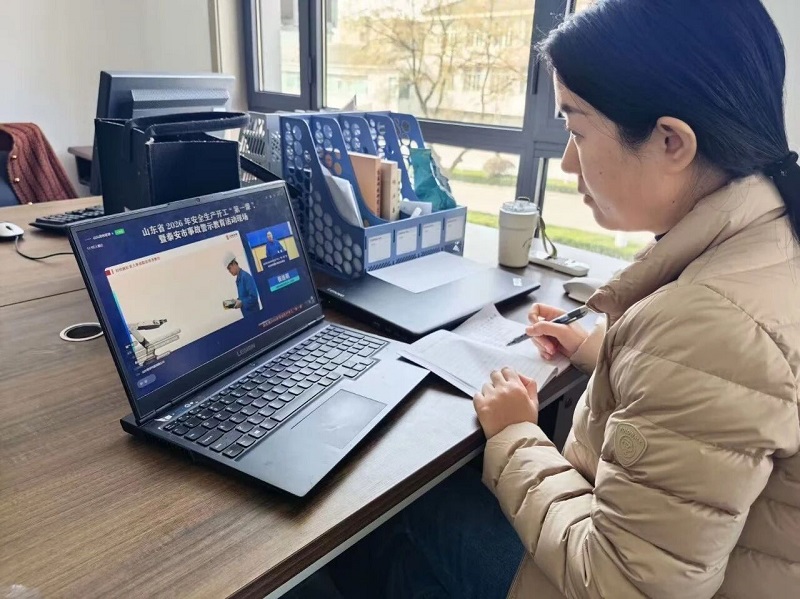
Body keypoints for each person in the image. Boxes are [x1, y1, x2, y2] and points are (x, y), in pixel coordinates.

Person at [319, 1, 800, 598]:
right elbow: (716, 401)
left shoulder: (711, 324)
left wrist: (515, 434)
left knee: (403, 509)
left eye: (576, 129)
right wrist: (607, 353)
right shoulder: (769, 238)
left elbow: (621, 586)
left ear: (671, 142)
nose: (569, 161)